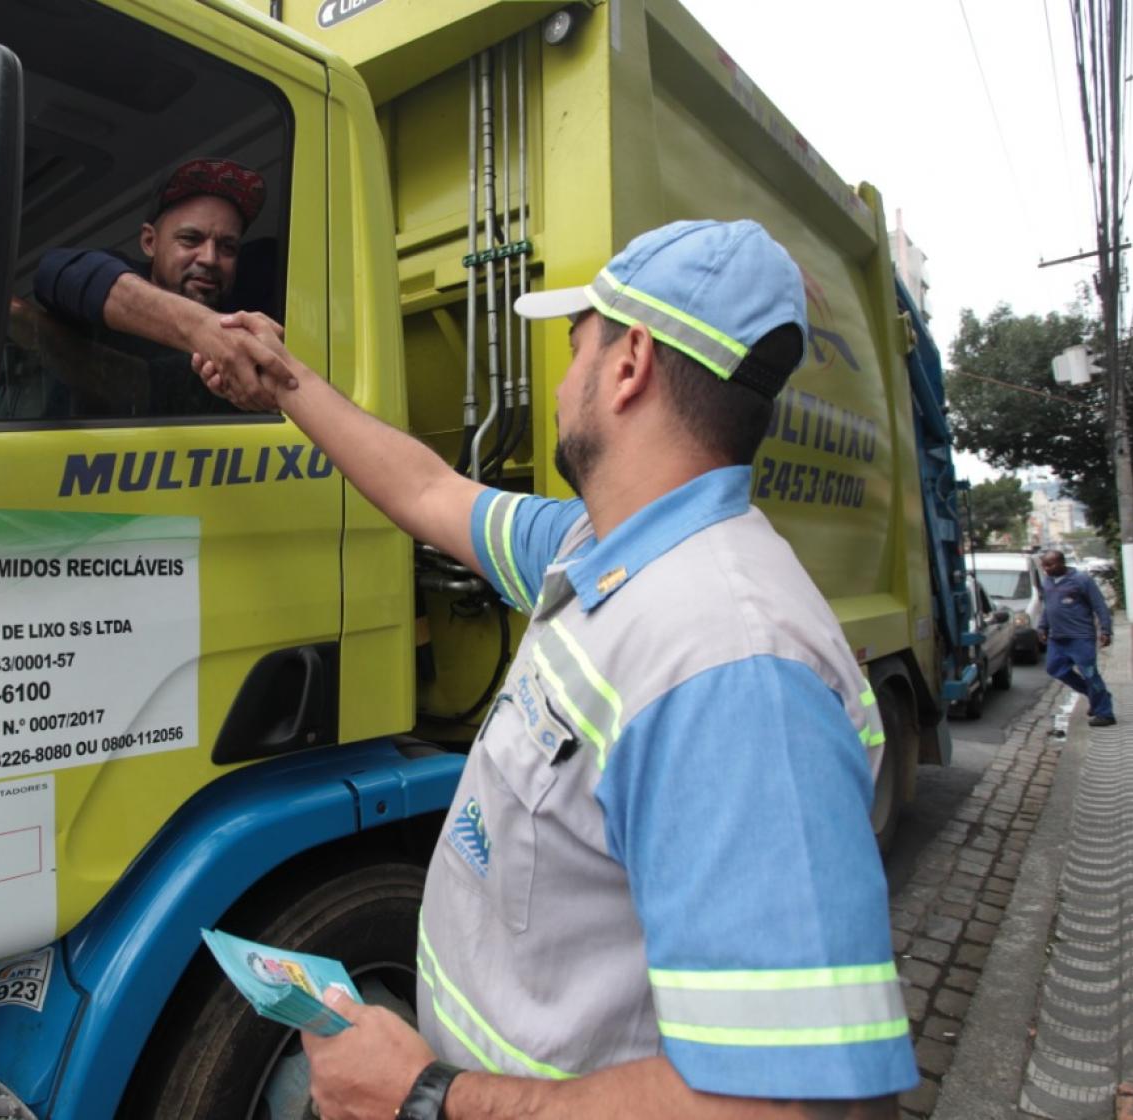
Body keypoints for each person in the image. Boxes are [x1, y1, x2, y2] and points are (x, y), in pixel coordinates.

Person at [197, 220, 916, 1119]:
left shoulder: (731, 663)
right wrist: (284, 376)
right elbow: (427, 491)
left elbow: (779, 1109)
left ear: (630, 366)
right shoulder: (596, 548)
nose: (563, 378)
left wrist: (427, 1097)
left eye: (577, 345)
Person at [6, 156, 277, 415]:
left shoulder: (246, 323)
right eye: (190, 239)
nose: (209, 258)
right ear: (149, 242)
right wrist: (202, 329)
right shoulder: (118, 277)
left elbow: (149, 388)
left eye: (227, 247)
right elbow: (55, 271)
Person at [1036, 549, 1116, 727]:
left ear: (1061, 563)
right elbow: (1048, 607)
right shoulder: (1047, 581)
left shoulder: (1082, 580)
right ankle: (1097, 696)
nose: (1046, 569)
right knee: (1055, 669)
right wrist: (1042, 626)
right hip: (1057, 638)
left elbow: (1099, 606)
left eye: (1049, 565)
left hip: (1081, 637)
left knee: (1089, 674)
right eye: (1044, 565)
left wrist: (1106, 630)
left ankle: (1105, 713)